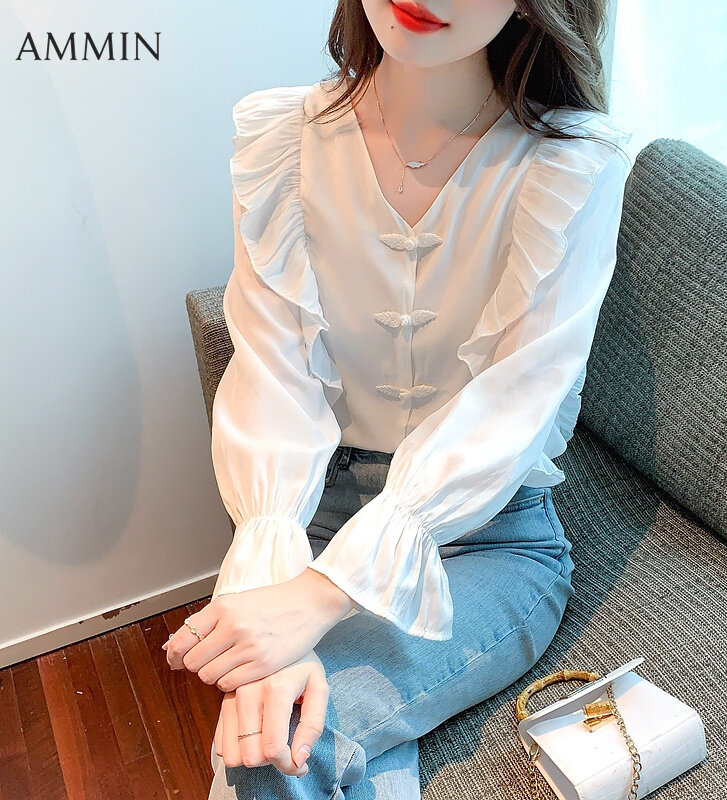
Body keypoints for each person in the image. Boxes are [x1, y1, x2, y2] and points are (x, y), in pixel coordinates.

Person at [163, 0, 633, 796]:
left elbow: (515, 408)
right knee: (272, 739)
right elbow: (273, 378)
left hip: (490, 543)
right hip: (311, 516)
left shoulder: (572, 165)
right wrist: (270, 574)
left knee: (281, 745)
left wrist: (317, 600)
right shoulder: (283, 142)